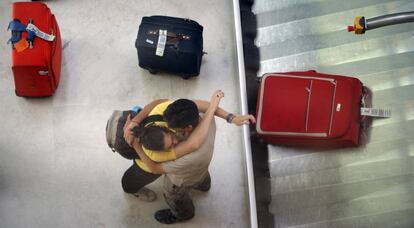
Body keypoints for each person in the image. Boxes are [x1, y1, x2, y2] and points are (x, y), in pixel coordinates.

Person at [131, 90, 256, 224]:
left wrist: (135, 145)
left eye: (174, 132)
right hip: (201, 170)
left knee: (175, 197)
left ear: (187, 128)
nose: (174, 137)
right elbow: (206, 107)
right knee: (202, 178)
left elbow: (156, 168)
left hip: (181, 180)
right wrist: (231, 117)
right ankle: (204, 186)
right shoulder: (200, 115)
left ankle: (183, 215)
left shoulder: (192, 155)